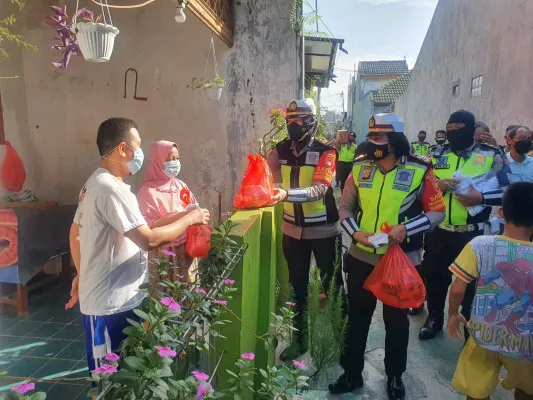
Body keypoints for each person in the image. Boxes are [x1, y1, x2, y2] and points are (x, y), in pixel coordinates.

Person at [66, 118, 210, 380]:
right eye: (138, 145)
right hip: (109, 306)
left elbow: (76, 233)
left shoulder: (94, 183)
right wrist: (189, 219)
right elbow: (149, 240)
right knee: (109, 381)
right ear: (122, 149)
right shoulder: (110, 188)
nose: (139, 153)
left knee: (127, 376)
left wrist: (82, 271)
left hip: (119, 300)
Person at [329, 113, 446, 399]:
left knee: (396, 322)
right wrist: (356, 234)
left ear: (396, 139)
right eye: (371, 137)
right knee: (356, 319)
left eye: (380, 138)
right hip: (362, 255)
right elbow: (344, 208)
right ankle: (352, 373)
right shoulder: (359, 168)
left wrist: (406, 229)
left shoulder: (421, 170)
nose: (374, 143)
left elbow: (437, 211)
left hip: (402, 260)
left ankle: (394, 376)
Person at [419, 110, 511, 341]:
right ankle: (434, 319)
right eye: (450, 129)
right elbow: (421, 186)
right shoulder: (437, 152)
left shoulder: (491, 155)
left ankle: (469, 323)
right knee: (435, 278)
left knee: (471, 284)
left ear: (471, 130)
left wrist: (480, 197)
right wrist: (437, 184)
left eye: (459, 129)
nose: (453, 134)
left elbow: (508, 192)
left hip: (471, 235)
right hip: (439, 231)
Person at [267, 98, 343, 361]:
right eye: (289, 120)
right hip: (292, 233)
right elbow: (266, 177)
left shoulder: (327, 151)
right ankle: (300, 342)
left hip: (324, 232)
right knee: (296, 289)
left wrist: (285, 193)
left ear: (311, 123)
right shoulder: (280, 150)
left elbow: (320, 189)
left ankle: (342, 343)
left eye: (298, 121)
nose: (292, 125)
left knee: (333, 287)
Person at [447, 182, 533, 400]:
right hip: (526, 345)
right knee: (527, 389)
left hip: (483, 337)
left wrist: (453, 314)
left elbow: (458, 287)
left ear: (502, 213)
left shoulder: (480, 244)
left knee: (476, 392)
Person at [137, 140, 200, 285]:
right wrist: (182, 216)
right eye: (170, 159)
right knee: (165, 294)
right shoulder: (147, 192)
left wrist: (197, 213)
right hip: (163, 252)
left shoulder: (180, 185)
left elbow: (193, 208)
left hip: (186, 248)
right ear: (158, 161)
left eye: (177, 158)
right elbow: (149, 225)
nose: (175, 162)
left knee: (188, 290)